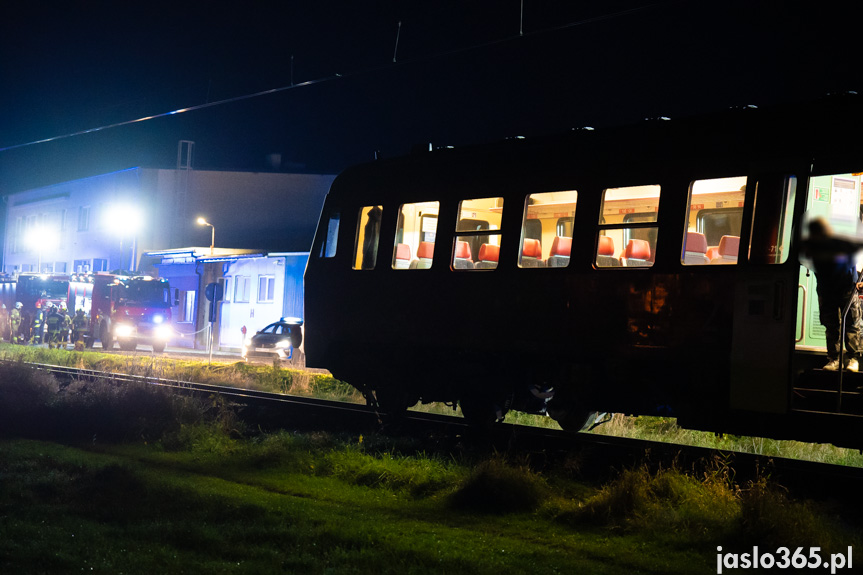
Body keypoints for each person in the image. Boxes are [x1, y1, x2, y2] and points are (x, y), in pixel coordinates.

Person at [800, 217, 863, 371]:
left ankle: (853, 359)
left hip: (847, 289)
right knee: (832, 326)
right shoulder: (812, 247)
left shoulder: (843, 243)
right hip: (827, 290)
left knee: (852, 324)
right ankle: (834, 358)